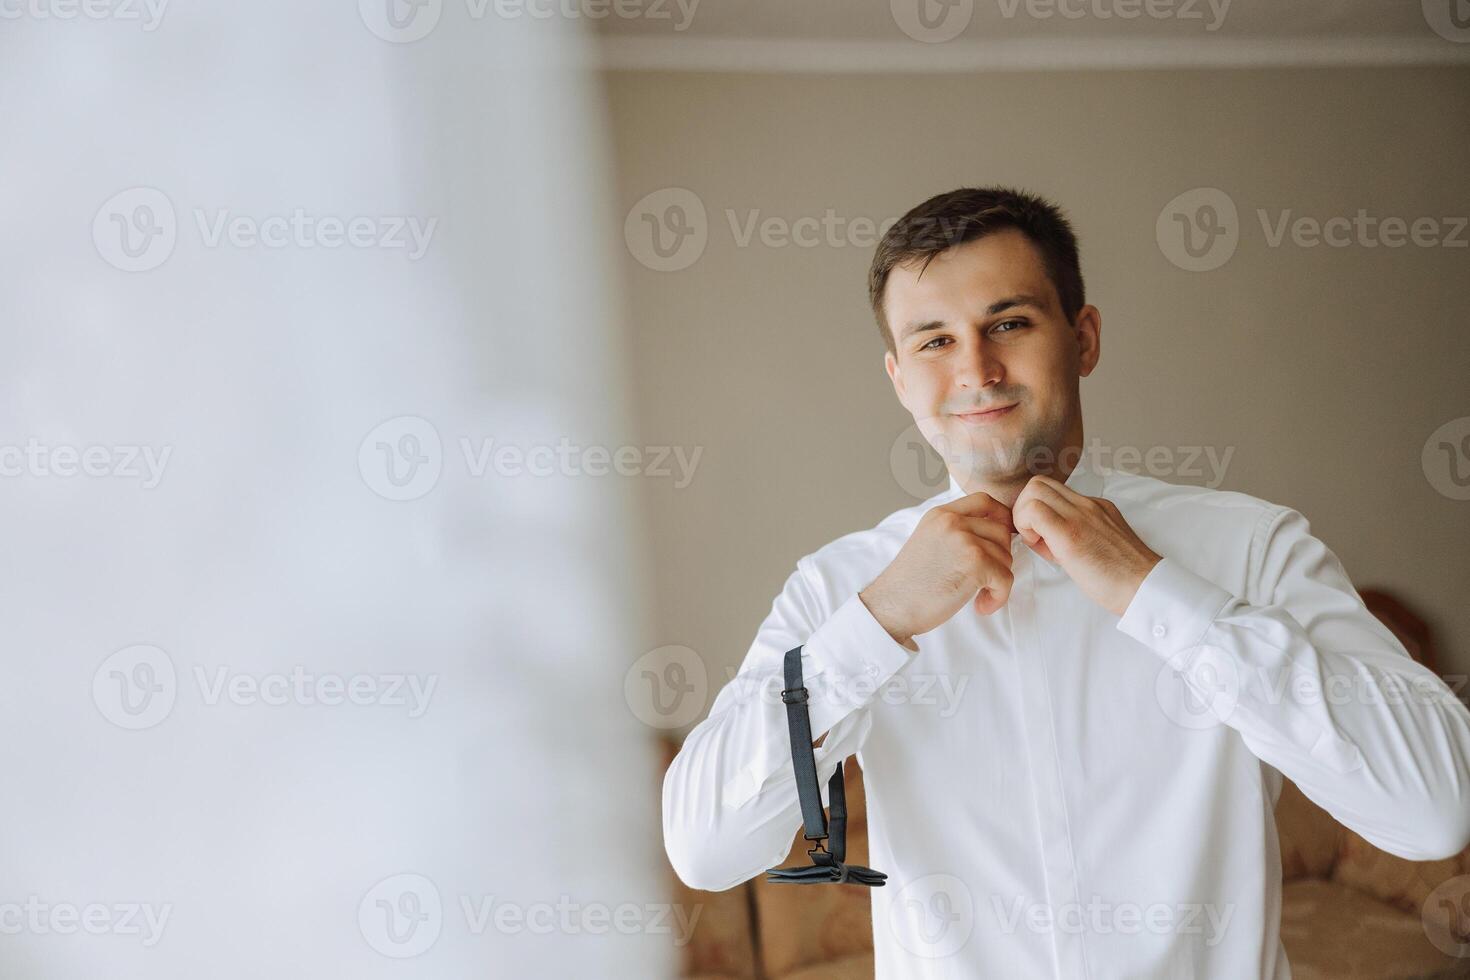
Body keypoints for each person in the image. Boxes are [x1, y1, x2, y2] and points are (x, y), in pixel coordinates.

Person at [661, 186, 1470, 978]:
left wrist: (1159, 594)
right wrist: (877, 623)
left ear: (1082, 339)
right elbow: (706, 846)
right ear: (900, 378)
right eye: (934, 340)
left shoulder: (1249, 546)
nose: (976, 367)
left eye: (1008, 323)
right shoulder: (842, 586)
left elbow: (1435, 808)